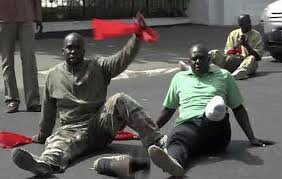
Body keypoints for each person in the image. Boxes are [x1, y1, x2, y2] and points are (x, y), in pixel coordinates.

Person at [10, 14, 167, 177]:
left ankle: (157, 142)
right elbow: (48, 110)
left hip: (100, 126)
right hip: (70, 129)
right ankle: (45, 165)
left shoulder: (98, 66)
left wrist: (136, 37)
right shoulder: (53, 75)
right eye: (69, 47)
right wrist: (43, 135)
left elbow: (122, 59)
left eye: (77, 48)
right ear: (62, 51)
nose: (73, 51)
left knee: (120, 99)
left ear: (84, 51)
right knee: (57, 144)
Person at [148, 44, 273, 177]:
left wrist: (252, 138)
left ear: (209, 59)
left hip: (217, 131)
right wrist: (151, 131)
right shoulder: (179, 78)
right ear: (189, 61)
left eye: (201, 58)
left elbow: (238, 108)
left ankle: (213, 112)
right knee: (177, 140)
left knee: (217, 104)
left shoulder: (224, 76)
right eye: (194, 59)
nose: (197, 62)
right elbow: (168, 109)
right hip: (188, 129)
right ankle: (174, 164)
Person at [0, 0, 43, 113]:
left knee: (29, 60)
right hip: (4, 18)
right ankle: (12, 99)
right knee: (7, 61)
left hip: (27, 16)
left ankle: (33, 101)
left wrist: (38, 16)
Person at [209, 14, 264, 80]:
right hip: (233, 61)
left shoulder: (256, 35)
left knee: (251, 58)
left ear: (250, 22)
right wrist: (236, 46)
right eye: (242, 24)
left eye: (246, 23)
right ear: (239, 25)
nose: (245, 26)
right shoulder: (233, 34)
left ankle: (240, 72)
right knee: (214, 53)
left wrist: (246, 46)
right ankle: (207, 68)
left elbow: (258, 57)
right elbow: (228, 52)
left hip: (247, 63)